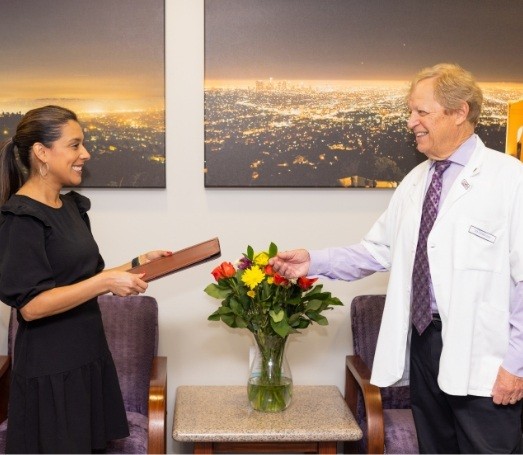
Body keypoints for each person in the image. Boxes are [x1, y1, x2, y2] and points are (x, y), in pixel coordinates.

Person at [270, 64, 523, 453]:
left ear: (459, 112)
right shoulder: (417, 180)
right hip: (424, 343)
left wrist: (516, 367)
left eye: (421, 112)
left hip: (485, 357)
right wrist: (313, 261)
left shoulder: (510, 180)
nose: (411, 122)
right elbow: (378, 250)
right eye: (411, 112)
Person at [0, 105, 172, 453]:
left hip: (88, 359)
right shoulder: (21, 219)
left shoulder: (71, 208)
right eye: (75, 145)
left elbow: (87, 278)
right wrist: (105, 282)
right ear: (42, 152)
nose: (85, 154)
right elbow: (32, 307)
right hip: (51, 373)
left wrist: (140, 262)